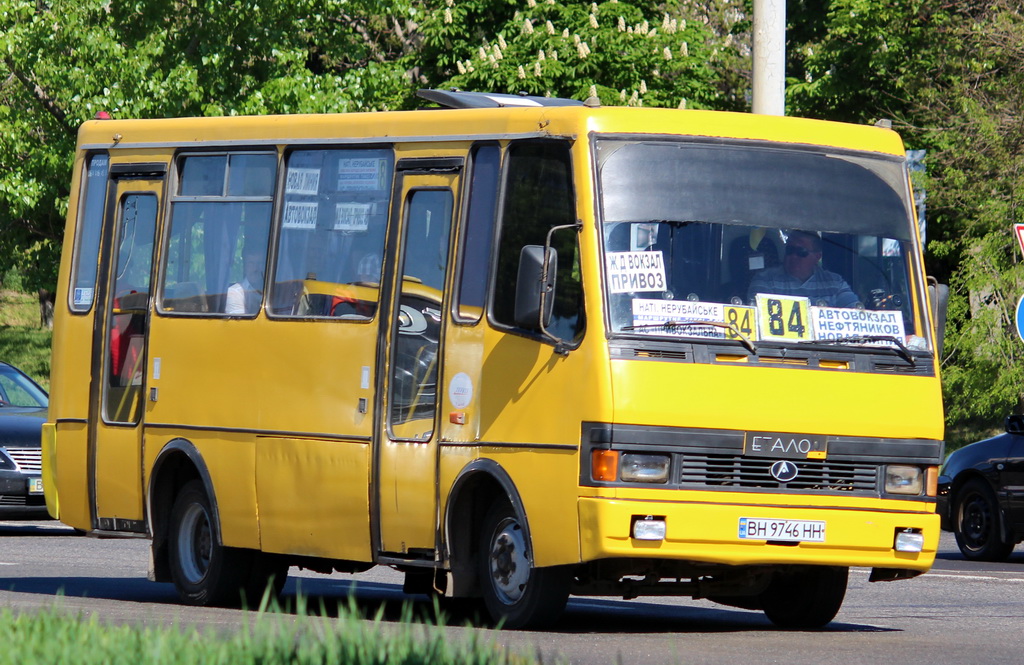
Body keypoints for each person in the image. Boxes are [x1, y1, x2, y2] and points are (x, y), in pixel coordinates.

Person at [747, 230, 860, 308]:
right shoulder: (765, 280)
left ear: (817, 256)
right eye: (790, 250)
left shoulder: (835, 283)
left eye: (801, 252)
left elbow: (854, 313)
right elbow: (761, 320)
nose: (793, 256)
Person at [226, 250, 265, 314]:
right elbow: (240, 323)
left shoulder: (271, 291)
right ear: (244, 266)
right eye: (251, 263)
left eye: (260, 263)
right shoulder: (234, 293)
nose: (256, 268)